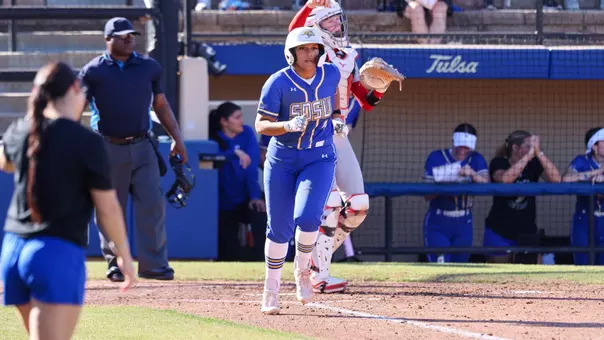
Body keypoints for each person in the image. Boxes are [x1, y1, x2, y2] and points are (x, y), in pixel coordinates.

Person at [0, 61, 135, 340]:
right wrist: (124, 254)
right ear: (74, 88)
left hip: (13, 250)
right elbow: (107, 208)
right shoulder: (85, 141)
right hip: (54, 252)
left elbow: (5, 163)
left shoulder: (20, 130)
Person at [289, 0, 395, 294]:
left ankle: (311, 259)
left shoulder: (347, 56)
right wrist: (310, 5)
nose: (337, 26)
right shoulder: (309, 53)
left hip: (338, 134)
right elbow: (295, 29)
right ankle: (319, 274)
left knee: (358, 206)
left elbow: (366, 102)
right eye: (331, 21)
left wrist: (380, 88)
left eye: (338, 20)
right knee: (331, 203)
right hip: (313, 133)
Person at [78, 17, 188, 282]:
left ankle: (155, 265)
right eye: (122, 35)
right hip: (107, 146)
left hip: (143, 144)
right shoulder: (93, 71)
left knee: (153, 205)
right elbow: (76, 106)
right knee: (109, 209)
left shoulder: (148, 67)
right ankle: (116, 264)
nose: (129, 38)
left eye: (132, 35)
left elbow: (160, 105)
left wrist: (177, 138)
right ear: (108, 39)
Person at [256, 26, 341, 315]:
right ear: (291, 53)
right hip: (283, 158)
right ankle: (271, 288)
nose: (310, 53)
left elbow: (335, 104)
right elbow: (261, 125)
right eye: (304, 49)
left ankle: (303, 271)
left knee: (307, 218)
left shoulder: (331, 74)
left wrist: (339, 119)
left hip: (319, 156)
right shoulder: (277, 83)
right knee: (279, 229)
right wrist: (286, 126)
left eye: (315, 48)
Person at [483, 130, 561, 264]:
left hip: (526, 229)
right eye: (528, 146)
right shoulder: (499, 162)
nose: (532, 149)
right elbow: (505, 179)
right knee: (497, 272)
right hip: (500, 229)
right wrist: (528, 156)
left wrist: (539, 153)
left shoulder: (534, 163)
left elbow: (556, 179)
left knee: (531, 270)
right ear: (515, 147)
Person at [422, 123, 489, 263]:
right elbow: (426, 194)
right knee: (440, 265)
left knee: (461, 265)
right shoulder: (436, 156)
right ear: (453, 141)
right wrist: (449, 177)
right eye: (460, 146)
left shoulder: (476, 159)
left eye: (467, 147)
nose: (463, 150)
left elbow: (487, 186)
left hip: (464, 220)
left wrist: (472, 174)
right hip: (439, 219)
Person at [209, 101, 266, 261]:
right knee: (228, 250)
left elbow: (251, 168)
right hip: (223, 200)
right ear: (224, 121)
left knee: (260, 212)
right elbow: (212, 156)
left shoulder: (247, 133)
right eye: (237, 117)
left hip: (246, 196)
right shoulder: (213, 137)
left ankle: (263, 259)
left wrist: (255, 196)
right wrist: (234, 153)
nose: (242, 121)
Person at [562, 127, 604, 265]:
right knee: (583, 262)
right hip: (584, 218)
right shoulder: (582, 160)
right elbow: (566, 179)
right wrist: (596, 172)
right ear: (594, 146)